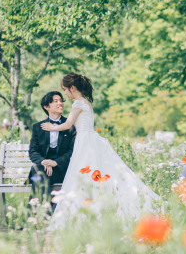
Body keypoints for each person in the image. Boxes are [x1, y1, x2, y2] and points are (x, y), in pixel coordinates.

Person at [41, 73, 159, 227]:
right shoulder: (86, 103)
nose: (65, 93)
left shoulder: (77, 103)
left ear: (72, 88)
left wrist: (52, 127)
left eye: (65, 89)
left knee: (82, 173)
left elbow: (68, 124)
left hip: (84, 141)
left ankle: (86, 213)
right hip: (91, 139)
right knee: (93, 173)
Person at [29, 91, 76, 206]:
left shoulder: (69, 126)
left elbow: (73, 151)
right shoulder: (38, 127)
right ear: (46, 107)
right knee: (39, 169)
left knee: (39, 173)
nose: (60, 103)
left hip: (62, 170)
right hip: (43, 168)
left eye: (61, 100)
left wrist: (55, 162)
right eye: (56, 101)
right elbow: (33, 151)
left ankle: (39, 212)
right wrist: (44, 162)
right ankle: (49, 210)